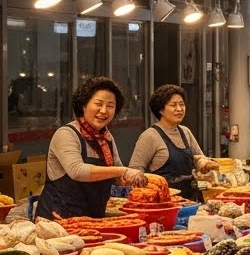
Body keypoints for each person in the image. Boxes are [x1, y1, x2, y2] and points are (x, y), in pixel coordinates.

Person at [37, 76, 147, 219]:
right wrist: (123, 171)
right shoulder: (66, 134)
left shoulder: (106, 137)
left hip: (93, 218)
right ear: (84, 105)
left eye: (110, 106)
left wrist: (136, 179)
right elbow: (77, 171)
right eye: (98, 104)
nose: (104, 111)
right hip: (59, 219)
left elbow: (118, 177)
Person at [128, 84, 220, 204]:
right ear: (161, 110)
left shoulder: (185, 131)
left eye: (181, 104)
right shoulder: (150, 136)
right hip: (163, 204)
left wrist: (204, 163)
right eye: (173, 105)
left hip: (190, 201)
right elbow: (134, 171)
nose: (179, 109)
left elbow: (199, 158)